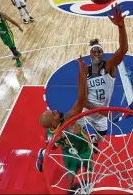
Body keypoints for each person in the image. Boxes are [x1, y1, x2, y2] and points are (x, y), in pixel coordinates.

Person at [36, 56, 93, 194]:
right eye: (54, 113)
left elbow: (54, 146)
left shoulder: (54, 130)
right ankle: (79, 188)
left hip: (75, 151)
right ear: (54, 123)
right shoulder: (63, 123)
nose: (56, 111)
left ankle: (76, 188)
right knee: (79, 170)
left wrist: (83, 76)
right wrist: (83, 75)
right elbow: (81, 101)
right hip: (77, 151)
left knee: (78, 170)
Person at [78, 3, 128, 154]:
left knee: (101, 139)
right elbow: (82, 100)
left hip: (101, 117)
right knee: (76, 136)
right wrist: (99, 110)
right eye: (94, 51)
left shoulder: (109, 67)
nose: (97, 52)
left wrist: (121, 27)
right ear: (90, 55)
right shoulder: (84, 72)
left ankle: (94, 139)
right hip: (86, 112)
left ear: (103, 54)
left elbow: (123, 49)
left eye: (99, 50)